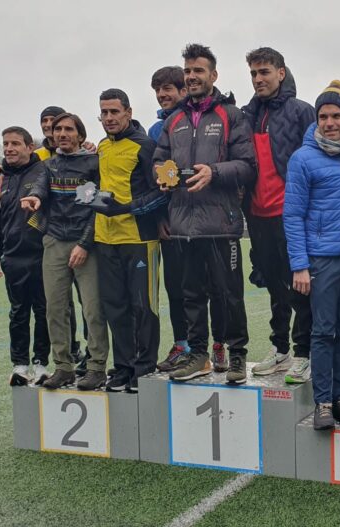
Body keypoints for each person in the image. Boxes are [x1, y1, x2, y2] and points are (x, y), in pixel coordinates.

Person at [153, 43, 256, 384]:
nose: (192, 76)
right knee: (192, 296)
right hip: (184, 225)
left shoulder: (231, 115)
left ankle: (237, 354)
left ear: (214, 75)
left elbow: (247, 166)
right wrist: (162, 175)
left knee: (229, 295)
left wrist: (214, 172)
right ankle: (198, 355)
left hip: (222, 224)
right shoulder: (174, 120)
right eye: (188, 71)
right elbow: (159, 160)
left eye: (198, 70)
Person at [285, 80, 340, 430]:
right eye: (324, 116)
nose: (330, 122)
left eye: (336, 115)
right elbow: (292, 215)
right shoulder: (302, 158)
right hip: (321, 259)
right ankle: (322, 402)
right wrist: (299, 265)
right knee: (323, 331)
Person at [240, 47, 315, 382]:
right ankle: (280, 348)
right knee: (274, 287)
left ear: (281, 73)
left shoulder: (302, 111)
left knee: (300, 287)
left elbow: (315, 161)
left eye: (264, 72)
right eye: (254, 73)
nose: (258, 79)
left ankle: (304, 353)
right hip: (257, 216)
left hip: (291, 215)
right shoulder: (248, 115)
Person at [20, 113, 110, 391]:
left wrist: (84, 243)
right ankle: (63, 367)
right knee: (55, 309)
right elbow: (40, 187)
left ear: (80, 135)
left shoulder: (94, 163)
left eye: (69, 129)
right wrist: (35, 197)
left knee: (93, 309)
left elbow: (98, 207)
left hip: (87, 245)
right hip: (55, 242)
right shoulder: (49, 165)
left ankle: (96, 368)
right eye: (58, 129)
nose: (62, 133)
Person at [89, 88, 168, 393]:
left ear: (128, 112)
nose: (109, 118)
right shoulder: (101, 147)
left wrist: (125, 209)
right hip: (105, 238)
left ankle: (144, 367)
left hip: (139, 238)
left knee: (143, 306)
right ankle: (123, 367)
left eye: (114, 112)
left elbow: (161, 192)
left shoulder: (145, 146)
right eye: (104, 113)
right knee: (115, 306)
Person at [0, 126, 50, 387]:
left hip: (44, 254)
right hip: (13, 257)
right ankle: (20, 365)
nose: (9, 148)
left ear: (29, 147)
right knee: (18, 313)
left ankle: (42, 364)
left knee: (45, 312)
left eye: (15, 143)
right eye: (5, 144)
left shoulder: (44, 171)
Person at [147, 66, 196, 373]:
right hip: (172, 222)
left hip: (206, 221)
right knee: (176, 287)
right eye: (158, 90)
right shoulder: (155, 131)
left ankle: (216, 347)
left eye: (167, 88)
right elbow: (151, 179)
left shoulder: (200, 121)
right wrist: (159, 217)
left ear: (184, 90)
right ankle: (183, 344)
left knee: (210, 289)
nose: (162, 94)